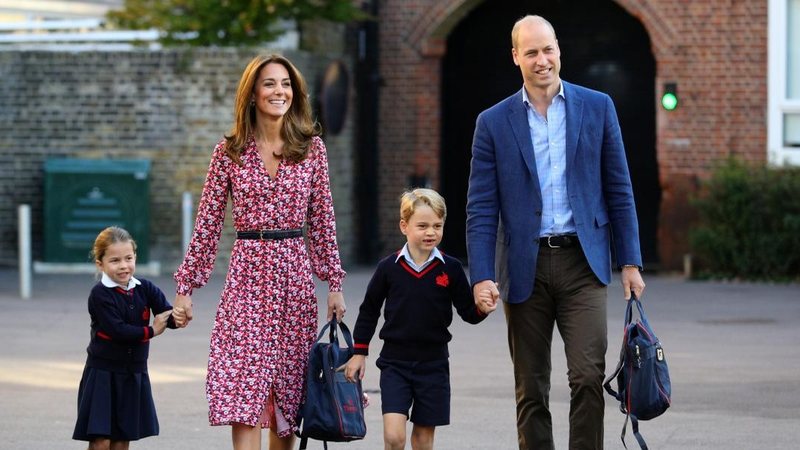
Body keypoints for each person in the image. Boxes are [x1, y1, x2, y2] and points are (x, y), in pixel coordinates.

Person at [465, 15, 647, 450]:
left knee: (587, 376)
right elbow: (481, 208)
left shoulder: (598, 107)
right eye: (531, 52)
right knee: (531, 388)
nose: (542, 60)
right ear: (516, 57)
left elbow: (619, 188)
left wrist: (631, 261)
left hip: (583, 262)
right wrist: (482, 274)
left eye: (548, 49)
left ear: (559, 50)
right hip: (523, 266)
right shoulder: (492, 123)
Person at [170, 54, 347, 450]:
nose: (278, 91)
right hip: (247, 277)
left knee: (286, 394)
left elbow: (323, 221)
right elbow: (208, 224)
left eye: (285, 84)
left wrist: (334, 283)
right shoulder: (229, 151)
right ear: (252, 93)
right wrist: (186, 287)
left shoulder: (312, 150)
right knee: (242, 388)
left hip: (293, 279)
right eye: (269, 83)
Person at [343, 188, 497, 450]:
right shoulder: (388, 268)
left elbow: (467, 313)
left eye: (437, 226)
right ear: (404, 226)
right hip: (395, 364)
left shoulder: (451, 268)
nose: (430, 232)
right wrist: (359, 352)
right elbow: (369, 310)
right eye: (423, 225)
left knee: (423, 440)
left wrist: (482, 308)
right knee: (394, 437)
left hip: (434, 365)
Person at [72, 226, 176, 449]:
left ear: (135, 257)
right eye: (115, 260)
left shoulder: (145, 288)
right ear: (100, 263)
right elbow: (118, 330)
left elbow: (165, 313)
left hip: (133, 372)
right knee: (101, 439)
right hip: (102, 372)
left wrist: (179, 316)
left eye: (128, 258)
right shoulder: (100, 294)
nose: (123, 266)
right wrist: (151, 331)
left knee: (122, 438)